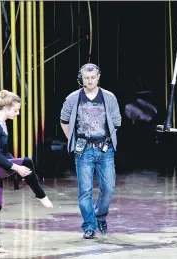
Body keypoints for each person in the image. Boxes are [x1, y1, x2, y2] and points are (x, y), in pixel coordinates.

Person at [0, 90, 53, 253]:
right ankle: (40, 195)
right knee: (26, 161)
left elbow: (5, 154)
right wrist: (17, 167)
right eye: (15, 110)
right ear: (6, 107)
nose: (17, 113)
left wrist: (14, 165)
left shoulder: (3, 124)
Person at [60, 63, 121, 239]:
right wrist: (72, 139)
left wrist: (107, 140)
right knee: (85, 190)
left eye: (93, 77)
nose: (90, 81)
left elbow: (117, 121)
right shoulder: (73, 98)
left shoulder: (108, 97)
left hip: (105, 149)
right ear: (82, 78)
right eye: (86, 78)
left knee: (108, 187)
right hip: (83, 150)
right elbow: (64, 119)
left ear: (98, 76)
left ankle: (100, 215)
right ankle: (89, 226)